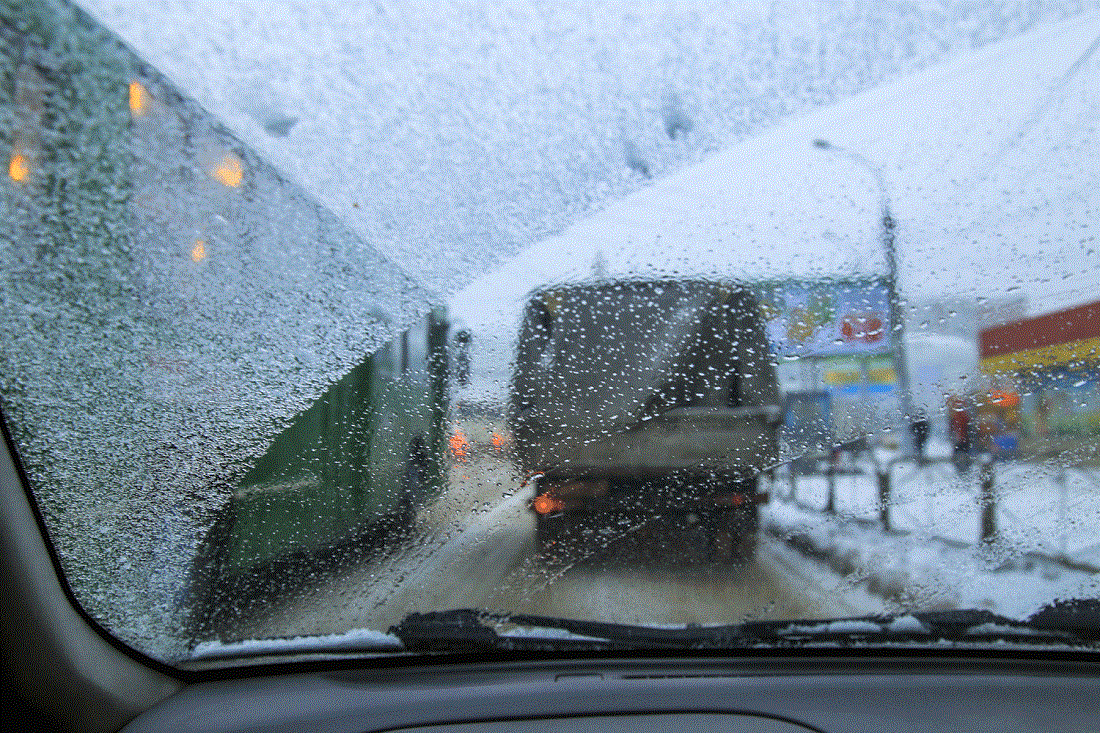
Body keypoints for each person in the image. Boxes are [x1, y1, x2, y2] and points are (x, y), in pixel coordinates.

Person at [948, 396, 972, 472]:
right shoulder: (957, 416)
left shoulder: (958, 416)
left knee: (962, 452)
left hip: (962, 440)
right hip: (962, 440)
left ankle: (962, 468)